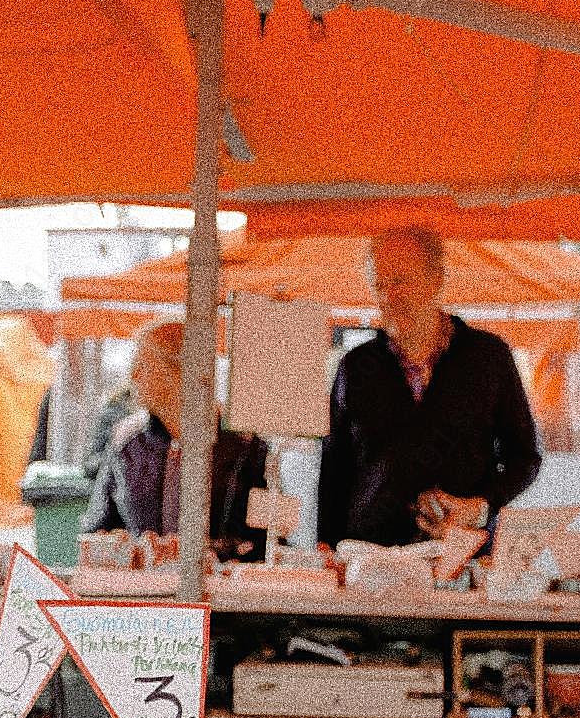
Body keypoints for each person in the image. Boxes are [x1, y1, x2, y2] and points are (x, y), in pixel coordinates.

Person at [317, 227, 542, 549]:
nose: (389, 296)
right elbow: (334, 466)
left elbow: (525, 456)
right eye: (380, 285)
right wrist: (326, 541)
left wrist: (481, 506)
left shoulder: (488, 358)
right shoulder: (356, 366)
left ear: (436, 280)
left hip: (461, 553)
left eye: (400, 281)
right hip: (370, 555)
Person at [82, 320, 268, 557]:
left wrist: (216, 552)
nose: (133, 375)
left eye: (143, 365)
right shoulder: (126, 442)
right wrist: (118, 545)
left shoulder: (245, 446)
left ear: (179, 372)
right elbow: (97, 528)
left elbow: (266, 542)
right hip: (143, 588)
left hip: (219, 589)